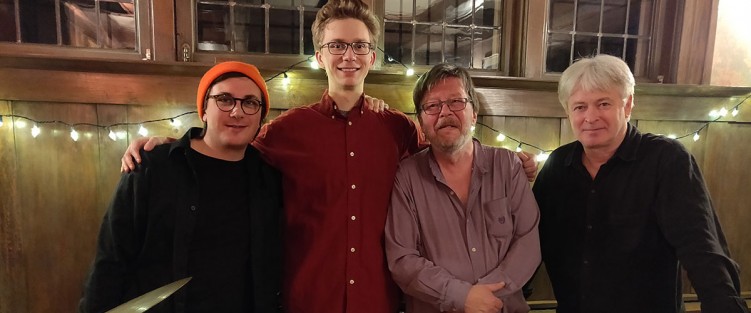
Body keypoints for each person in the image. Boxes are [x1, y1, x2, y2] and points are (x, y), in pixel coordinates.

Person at [120, 1, 538, 312]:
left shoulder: (396, 129)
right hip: (307, 299)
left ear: (372, 56)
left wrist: (510, 163)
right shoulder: (287, 131)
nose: (348, 56)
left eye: (359, 45)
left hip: (380, 301)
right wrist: (171, 144)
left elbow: (450, 153)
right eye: (337, 45)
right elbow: (226, 144)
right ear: (319, 55)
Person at [532, 54, 748, 313]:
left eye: (603, 104)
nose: (590, 117)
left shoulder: (666, 160)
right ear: (568, 111)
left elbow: (701, 247)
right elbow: (531, 240)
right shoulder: (557, 166)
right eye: (580, 107)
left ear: (627, 104)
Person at [79, 61, 283, 313]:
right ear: (204, 109)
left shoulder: (269, 181)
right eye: (225, 99)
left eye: (250, 102)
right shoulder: (153, 166)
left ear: (261, 116)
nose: (237, 112)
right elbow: (110, 259)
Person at [385, 63, 541, 313]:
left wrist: (485, 297)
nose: (445, 112)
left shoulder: (508, 166)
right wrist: (462, 296)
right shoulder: (407, 177)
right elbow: (403, 260)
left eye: (456, 101)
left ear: (474, 113)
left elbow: (528, 241)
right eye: (432, 106)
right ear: (421, 123)